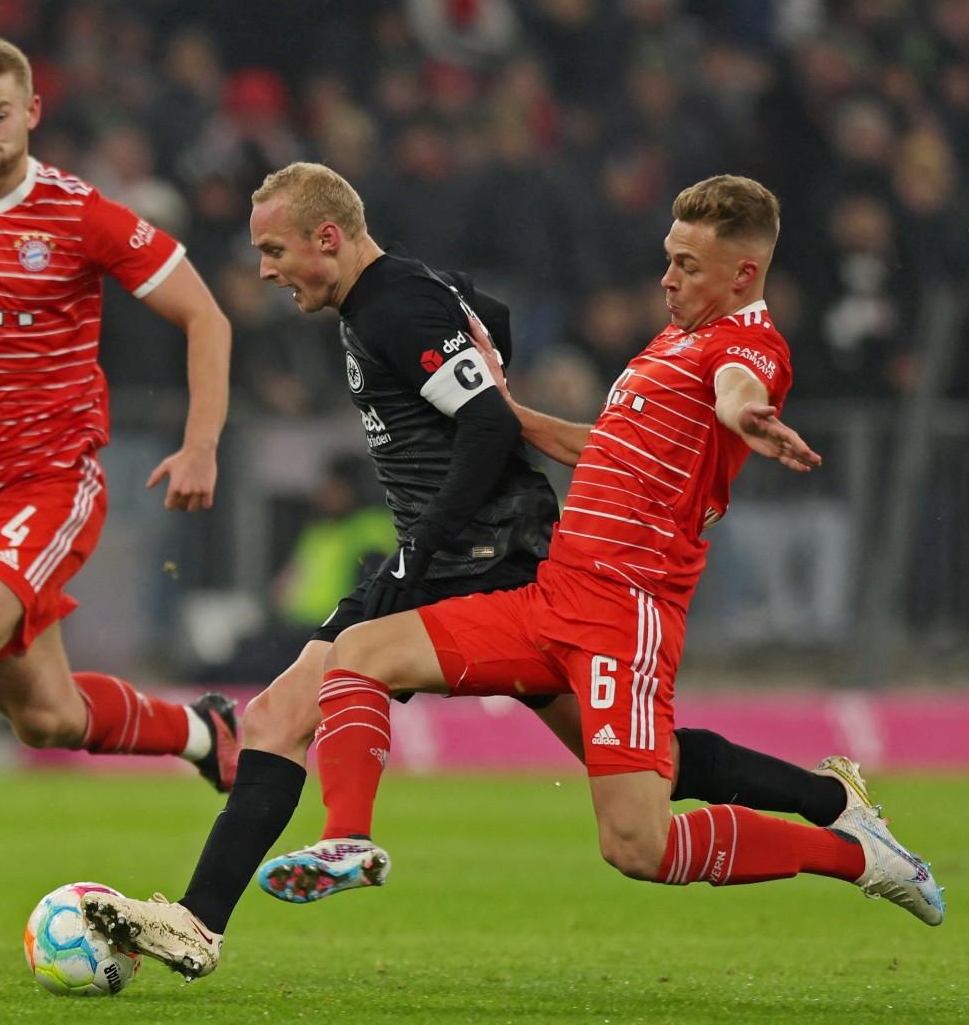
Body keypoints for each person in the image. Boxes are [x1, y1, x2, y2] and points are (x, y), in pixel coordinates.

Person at [83, 164, 897, 978]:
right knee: (634, 776)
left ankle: (298, 866)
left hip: (479, 553)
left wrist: (424, 544)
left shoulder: (398, 302)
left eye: (273, 249)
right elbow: (496, 350)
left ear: (326, 237)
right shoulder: (462, 302)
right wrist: (488, 368)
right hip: (513, 555)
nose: (264, 269)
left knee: (304, 702)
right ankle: (835, 805)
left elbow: (513, 418)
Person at [260, 173, 944, 926]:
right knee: (359, 651)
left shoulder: (748, 346)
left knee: (636, 845)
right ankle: (346, 842)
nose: (666, 277)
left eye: (687, 264)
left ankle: (860, 858)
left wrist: (748, 417)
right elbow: (598, 448)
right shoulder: (666, 344)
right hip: (551, 596)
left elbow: (737, 390)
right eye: (668, 256)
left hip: (626, 617)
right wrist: (480, 404)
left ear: (742, 273)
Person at [0, 34, 238, 933]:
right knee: (49, 719)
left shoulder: (77, 213)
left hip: (48, 481)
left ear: (30, 113)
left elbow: (204, 315)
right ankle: (200, 732)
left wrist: (201, 444)